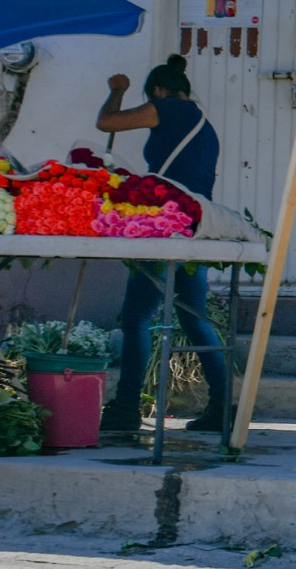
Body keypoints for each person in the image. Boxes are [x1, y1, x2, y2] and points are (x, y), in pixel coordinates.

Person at [94, 55, 229, 439]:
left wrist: (115, 92)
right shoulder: (204, 124)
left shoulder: (168, 109)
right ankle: (222, 406)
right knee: (194, 317)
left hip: (166, 224)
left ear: (156, 91)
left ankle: (124, 408)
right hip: (195, 225)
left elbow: (106, 123)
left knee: (136, 316)